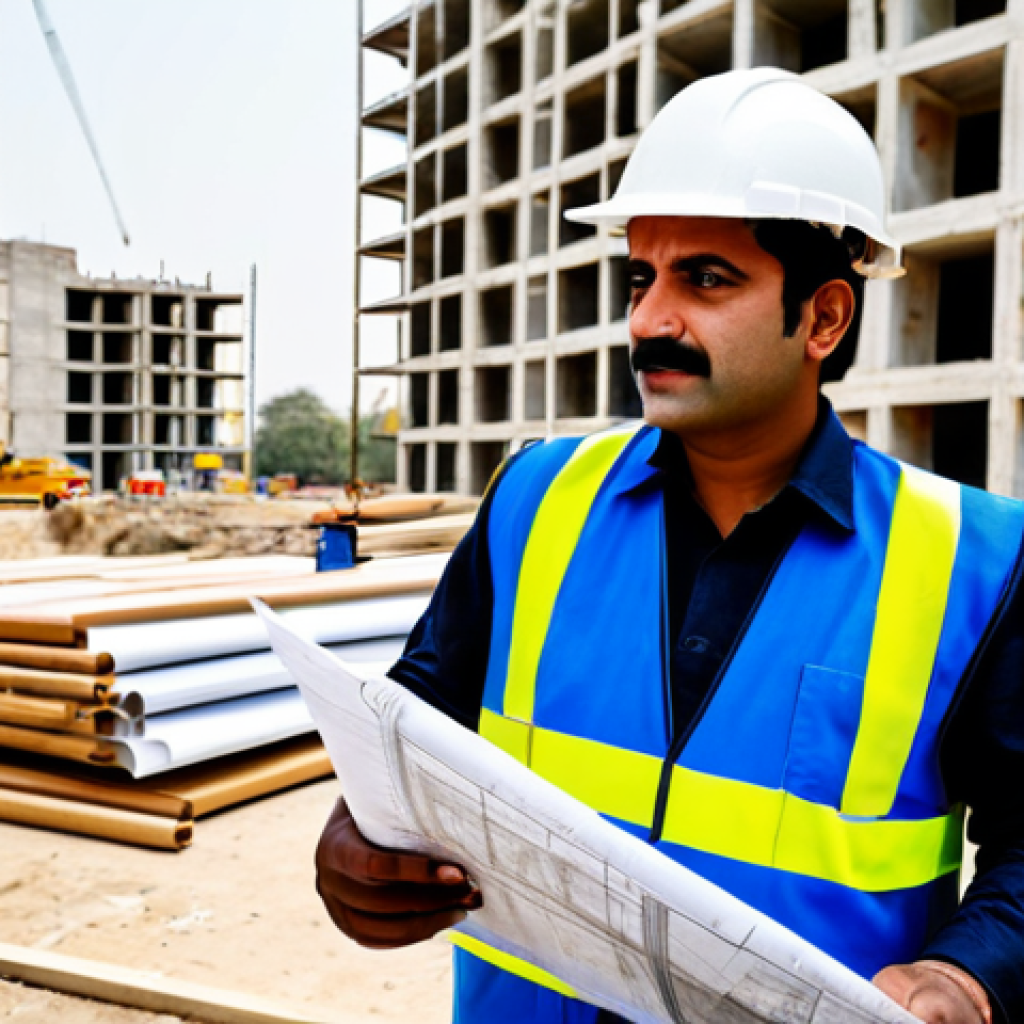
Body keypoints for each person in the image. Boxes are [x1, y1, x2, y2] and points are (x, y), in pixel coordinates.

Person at [315, 68, 1024, 1024]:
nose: (649, 320)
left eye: (707, 278)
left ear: (823, 316)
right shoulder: (534, 499)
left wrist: (966, 974)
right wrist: (355, 836)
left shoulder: (971, 560)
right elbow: (416, 720)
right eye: (642, 276)